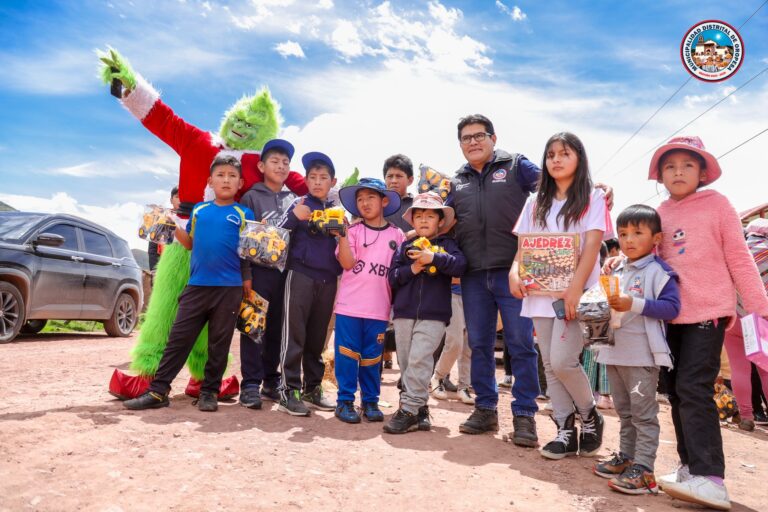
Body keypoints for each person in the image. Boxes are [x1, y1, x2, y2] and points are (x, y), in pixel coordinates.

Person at [643, 136, 768, 510]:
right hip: (670, 315)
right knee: (676, 391)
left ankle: (711, 477)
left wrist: (760, 307)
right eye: (670, 166)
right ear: (660, 175)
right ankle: (688, 468)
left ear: (701, 172)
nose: (678, 171)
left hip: (708, 311)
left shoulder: (718, 206)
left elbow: (740, 257)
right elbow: (650, 258)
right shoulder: (659, 212)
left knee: (695, 387)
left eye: (687, 165)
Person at [124, 155, 254, 412]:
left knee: (218, 343)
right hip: (196, 285)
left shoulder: (243, 213)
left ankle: (209, 393)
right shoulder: (199, 211)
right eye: (220, 175)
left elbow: (246, 250)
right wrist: (171, 226)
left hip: (229, 288)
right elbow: (191, 244)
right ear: (210, 181)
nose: (226, 180)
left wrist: (246, 279)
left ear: (240, 183)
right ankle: (158, 391)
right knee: (179, 338)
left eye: (232, 176)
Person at [509, 132, 610, 460]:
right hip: (539, 293)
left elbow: (593, 246)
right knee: (550, 364)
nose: (556, 159)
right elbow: (523, 246)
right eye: (550, 154)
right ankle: (565, 431)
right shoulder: (534, 201)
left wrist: (575, 291)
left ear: (579, 158)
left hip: (575, 292)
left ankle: (589, 413)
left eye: (564, 153)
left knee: (565, 360)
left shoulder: (592, 198)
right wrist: (514, 273)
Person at [448, 114, 543, 447]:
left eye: (479, 135)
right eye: (466, 138)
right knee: (479, 344)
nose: (473, 142)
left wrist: (592, 188)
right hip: (472, 275)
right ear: (460, 144)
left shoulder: (516, 165)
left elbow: (555, 183)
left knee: (520, 344)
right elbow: (439, 220)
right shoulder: (455, 181)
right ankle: (485, 408)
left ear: (493, 137)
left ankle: (525, 415)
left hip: (514, 271)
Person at [592, 205, 681, 495]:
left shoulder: (659, 271)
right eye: (623, 233)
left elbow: (672, 308)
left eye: (637, 233)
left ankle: (644, 470)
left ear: (656, 238)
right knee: (624, 410)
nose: (629, 239)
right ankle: (627, 458)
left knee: (643, 414)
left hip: (642, 357)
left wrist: (635, 304)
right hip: (613, 352)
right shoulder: (616, 267)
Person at [384, 192, 466, 433]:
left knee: (420, 359)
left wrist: (434, 258)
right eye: (418, 215)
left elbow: (461, 265)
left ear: (440, 221)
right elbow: (392, 278)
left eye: (430, 215)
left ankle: (408, 410)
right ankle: (420, 409)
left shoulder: (448, 246)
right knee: (408, 362)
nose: (423, 220)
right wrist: (415, 267)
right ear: (412, 221)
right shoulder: (405, 247)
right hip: (403, 314)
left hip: (434, 315)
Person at [333, 178, 405, 423]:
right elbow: (347, 263)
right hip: (349, 307)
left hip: (379, 309)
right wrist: (342, 236)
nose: (364, 203)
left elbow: (399, 273)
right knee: (346, 355)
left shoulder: (398, 235)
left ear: (384, 201)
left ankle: (371, 401)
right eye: (360, 199)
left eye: (370, 197)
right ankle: (344, 402)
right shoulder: (352, 231)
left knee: (373, 357)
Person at [277, 151, 342, 416]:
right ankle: (287, 391)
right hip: (299, 275)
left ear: (332, 181)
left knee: (317, 339)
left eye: (323, 177)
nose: (317, 182)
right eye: (312, 177)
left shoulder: (337, 212)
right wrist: (295, 216)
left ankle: (312, 388)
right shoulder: (297, 203)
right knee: (294, 335)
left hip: (328, 280)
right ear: (305, 180)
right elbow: (276, 235)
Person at [237, 139, 299, 409]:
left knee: (276, 328)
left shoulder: (294, 200)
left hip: (285, 275)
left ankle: (271, 381)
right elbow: (243, 237)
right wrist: (246, 274)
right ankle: (250, 384)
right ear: (261, 165)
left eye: (285, 162)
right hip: (258, 273)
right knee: (252, 326)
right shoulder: (251, 196)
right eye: (275, 161)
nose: (281, 166)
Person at [381, 154, 415, 369]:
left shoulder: (416, 206)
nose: (393, 180)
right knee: (380, 323)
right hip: (380, 271)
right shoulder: (379, 203)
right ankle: (377, 369)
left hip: (406, 273)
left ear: (410, 180)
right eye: (389, 176)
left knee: (404, 325)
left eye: (399, 176)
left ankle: (407, 377)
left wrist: (408, 235)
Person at [430, 277, 474, 405]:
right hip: (452, 294)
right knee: (455, 342)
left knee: (469, 345)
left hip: (475, 296)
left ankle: (464, 387)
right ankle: (438, 377)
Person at [147, 187, 180, 273]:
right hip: (163, 266)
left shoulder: (191, 218)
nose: (180, 199)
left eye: (183, 196)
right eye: (177, 196)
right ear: (171, 200)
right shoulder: (163, 217)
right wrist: (154, 269)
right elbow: (153, 246)